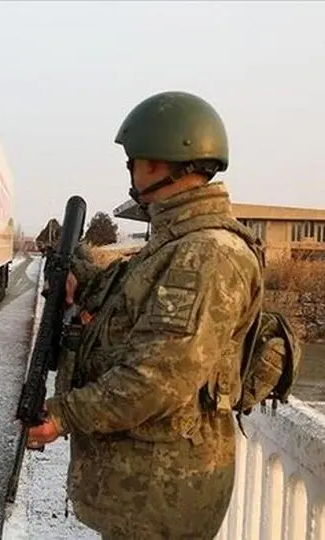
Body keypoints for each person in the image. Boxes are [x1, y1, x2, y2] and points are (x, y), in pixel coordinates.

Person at [26, 91, 264, 539]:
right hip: (143, 491)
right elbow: (125, 303)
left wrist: (62, 416)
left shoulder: (206, 255)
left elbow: (156, 378)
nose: (131, 172)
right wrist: (78, 276)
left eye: (133, 161)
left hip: (160, 499)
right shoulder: (173, 246)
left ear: (159, 162)